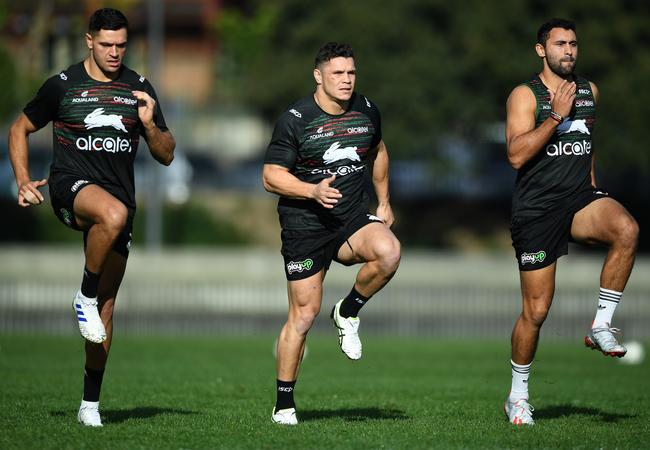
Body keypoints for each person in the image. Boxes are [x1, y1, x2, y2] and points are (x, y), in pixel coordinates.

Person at [8, 8, 175, 427]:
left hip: (119, 203)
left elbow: (167, 154)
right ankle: (82, 294)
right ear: (89, 41)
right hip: (70, 187)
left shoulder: (138, 87)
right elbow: (18, 129)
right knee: (111, 219)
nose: (115, 52)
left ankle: (89, 405)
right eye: (106, 45)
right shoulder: (62, 85)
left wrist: (151, 125)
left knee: (107, 308)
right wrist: (24, 179)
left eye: (121, 45)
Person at [504, 18, 639, 425]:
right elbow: (514, 156)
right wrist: (554, 118)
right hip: (537, 210)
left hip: (580, 198)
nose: (569, 51)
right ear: (541, 50)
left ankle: (601, 324)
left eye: (574, 44)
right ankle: (518, 396)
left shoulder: (589, 90)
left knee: (626, 229)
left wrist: (593, 186)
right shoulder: (524, 95)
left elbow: (587, 143)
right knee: (537, 311)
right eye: (560, 44)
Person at [262, 42, 401, 425]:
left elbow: (378, 151)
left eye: (351, 73)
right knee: (303, 317)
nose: (346, 80)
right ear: (318, 76)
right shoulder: (295, 119)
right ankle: (285, 404)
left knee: (389, 252)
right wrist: (312, 191)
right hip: (304, 225)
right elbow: (270, 176)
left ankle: (347, 311)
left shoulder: (367, 110)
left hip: (350, 218)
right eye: (338, 73)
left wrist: (384, 202)